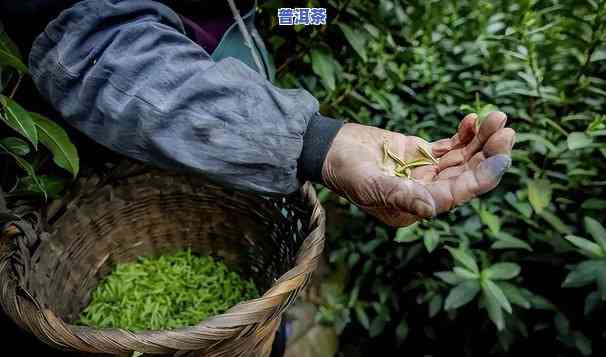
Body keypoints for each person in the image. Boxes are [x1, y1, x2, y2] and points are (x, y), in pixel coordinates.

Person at [0, 0, 515, 355]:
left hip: (241, 143)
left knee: (268, 322)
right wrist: (316, 141)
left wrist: (315, 15)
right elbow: (94, 47)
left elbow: (269, 15)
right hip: (125, 149)